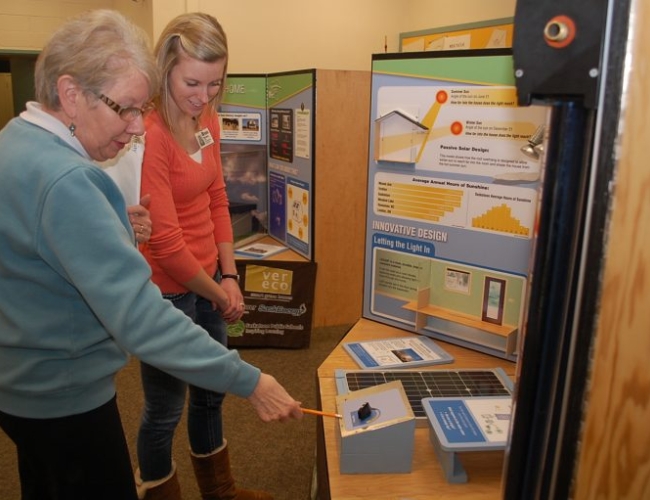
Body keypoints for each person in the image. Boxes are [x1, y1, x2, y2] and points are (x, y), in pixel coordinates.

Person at [0, 10, 303, 500]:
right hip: (62, 393)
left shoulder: (14, 142)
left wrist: (115, 224)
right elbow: (140, 317)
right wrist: (250, 380)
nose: (137, 127)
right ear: (72, 93)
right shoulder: (70, 180)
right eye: (125, 109)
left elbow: (39, 249)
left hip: (24, 385)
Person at [135, 13, 272, 500]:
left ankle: (220, 491)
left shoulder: (207, 119)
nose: (204, 96)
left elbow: (217, 197)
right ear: (165, 69)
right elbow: (167, 245)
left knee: (212, 393)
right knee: (165, 409)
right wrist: (222, 293)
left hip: (210, 278)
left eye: (215, 84)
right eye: (192, 82)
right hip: (168, 293)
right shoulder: (151, 135)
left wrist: (230, 274)